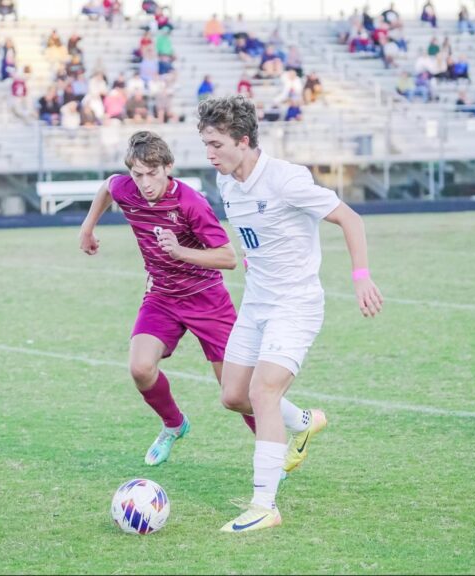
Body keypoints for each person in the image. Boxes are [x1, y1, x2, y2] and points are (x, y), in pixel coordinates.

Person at [197, 95, 383, 533]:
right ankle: (303, 423)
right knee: (232, 396)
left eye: (216, 144)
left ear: (243, 141)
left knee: (264, 393)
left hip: (296, 305)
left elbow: (351, 219)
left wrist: (360, 276)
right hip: (256, 304)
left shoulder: (287, 180)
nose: (209, 154)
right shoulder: (226, 183)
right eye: (205, 144)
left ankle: (264, 505)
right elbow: (253, 241)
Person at [79, 130, 259, 466]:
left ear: (168, 167)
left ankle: (270, 455)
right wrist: (88, 227)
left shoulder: (190, 202)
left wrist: (179, 251)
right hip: (162, 296)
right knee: (140, 368)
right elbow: (107, 186)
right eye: (138, 174)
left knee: (235, 392)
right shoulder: (127, 188)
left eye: (153, 173)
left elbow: (227, 258)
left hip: (208, 300)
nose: (145, 183)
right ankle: (174, 424)